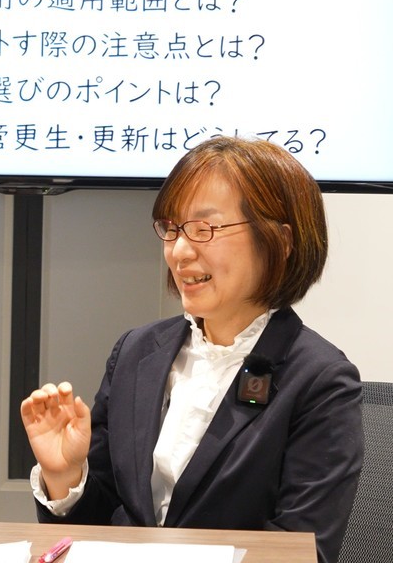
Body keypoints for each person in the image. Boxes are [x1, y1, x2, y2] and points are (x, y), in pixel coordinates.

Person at [20, 136, 362, 563]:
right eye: (172, 229)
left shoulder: (320, 381)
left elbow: (301, 551)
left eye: (204, 229)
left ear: (280, 241)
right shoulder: (136, 352)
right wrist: (65, 477)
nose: (179, 251)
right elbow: (96, 529)